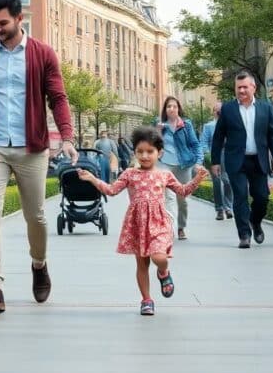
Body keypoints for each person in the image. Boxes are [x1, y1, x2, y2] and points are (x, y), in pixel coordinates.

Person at [0, 0, 78, 314]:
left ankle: (39, 263)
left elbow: (58, 98)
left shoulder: (43, 54)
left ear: (19, 19)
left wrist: (66, 136)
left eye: (2, 23)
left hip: (32, 147)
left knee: (35, 216)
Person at [77, 126, 209, 316]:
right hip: (137, 224)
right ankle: (146, 300)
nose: (144, 156)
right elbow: (111, 191)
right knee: (142, 264)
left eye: (150, 151)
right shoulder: (129, 174)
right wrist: (92, 178)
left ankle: (163, 272)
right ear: (135, 152)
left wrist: (198, 178)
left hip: (159, 223)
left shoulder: (165, 174)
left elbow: (183, 191)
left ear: (159, 153)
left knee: (159, 257)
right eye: (140, 151)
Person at [210, 70, 273, 249]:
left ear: (253, 87)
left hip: (259, 161)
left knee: (262, 197)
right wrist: (216, 161)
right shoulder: (228, 109)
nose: (241, 91)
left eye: (244, 87)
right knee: (240, 196)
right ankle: (244, 235)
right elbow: (218, 137)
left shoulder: (266, 108)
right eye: (238, 88)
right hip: (237, 161)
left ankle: (255, 221)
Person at [156, 97, 202, 240]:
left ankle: (181, 226)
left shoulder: (186, 125)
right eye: (168, 106)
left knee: (182, 200)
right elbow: (152, 144)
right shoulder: (159, 124)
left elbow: (195, 144)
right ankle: (169, 228)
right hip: (164, 164)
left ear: (178, 109)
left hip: (183, 165)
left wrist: (198, 162)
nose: (171, 109)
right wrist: (158, 131)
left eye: (174, 106)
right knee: (168, 197)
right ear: (165, 109)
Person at [200, 102, 233, 220]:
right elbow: (203, 142)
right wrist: (207, 154)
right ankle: (219, 209)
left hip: (227, 155)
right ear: (213, 112)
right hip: (214, 155)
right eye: (216, 110)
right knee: (217, 182)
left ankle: (228, 207)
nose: (218, 112)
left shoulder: (230, 124)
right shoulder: (208, 126)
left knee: (227, 180)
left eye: (220, 110)